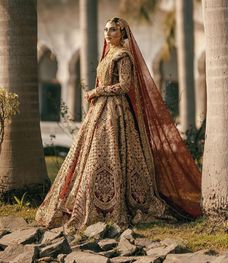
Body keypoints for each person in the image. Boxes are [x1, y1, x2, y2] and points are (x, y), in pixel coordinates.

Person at [35, 17, 201, 231]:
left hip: (115, 113)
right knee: (92, 155)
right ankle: (85, 204)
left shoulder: (123, 56)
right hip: (99, 112)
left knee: (113, 154)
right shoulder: (107, 55)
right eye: (105, 29)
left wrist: (98, 91)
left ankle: (113, 205)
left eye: (113, 29)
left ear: (122, 33)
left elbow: (125, 85)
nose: (107, 33)